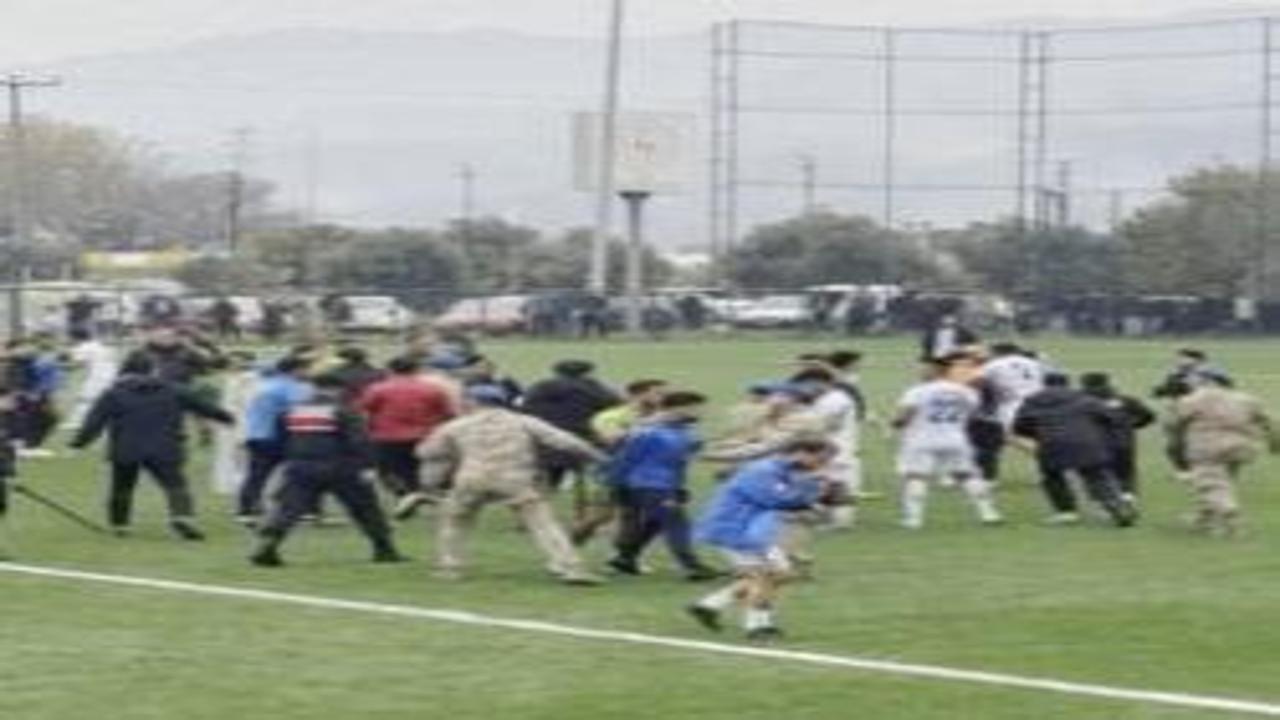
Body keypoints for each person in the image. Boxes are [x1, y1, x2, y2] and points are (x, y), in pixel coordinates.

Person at [417, 384, 606, 586]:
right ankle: (569, 566)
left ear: (472, 402)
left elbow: (427, 452)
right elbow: (565, 441)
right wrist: (597, 457)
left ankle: (450, 567)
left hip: (472, 478)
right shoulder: (523, 422)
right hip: (515, 479)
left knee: (455, 521)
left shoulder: (457, 425)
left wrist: (443, 467)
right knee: (542, 523)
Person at [70, 354, 233, 540]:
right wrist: (227, 418)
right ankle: (182, 517)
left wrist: (78, 444)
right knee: (175, 485)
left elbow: (95, 421)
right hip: (165, 446)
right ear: (153, 370)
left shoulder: (113, 393)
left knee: (122, 487)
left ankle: (120, 526)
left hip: (126, 447)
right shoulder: (174, 389)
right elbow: (203, 406)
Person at [249, 374, 406, 567]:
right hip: (342, 467)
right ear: (337, 389)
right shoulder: (344, 410)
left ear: (314, 387)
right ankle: (384, 549)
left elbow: (281, 439)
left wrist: (288, 460)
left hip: (301, 466)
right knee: (365, 509)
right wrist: (369, 465)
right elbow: (359, 441)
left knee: (288, 509)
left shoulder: (292, 411)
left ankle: (268, 545)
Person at [686, 439, 833, 642]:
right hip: (735, 530)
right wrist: (812, 489)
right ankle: (757, 626)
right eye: (820, 459)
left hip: (753, 530)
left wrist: (816, 499)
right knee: (766, 576)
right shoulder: (763, 471)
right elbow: (775, 500)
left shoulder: (781, 471)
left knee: (780, 574)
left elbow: (788, 500)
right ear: (801, 452)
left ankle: (709, 605)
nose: (822, 465)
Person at [607, 392, 719, 581]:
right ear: (679, 408)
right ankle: (692, 567)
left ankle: (625, 558)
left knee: (656, 522)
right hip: (649, 484)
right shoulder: (648, 432)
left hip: (663, 484)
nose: (701, 412)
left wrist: (678, 487)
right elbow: (627, 458)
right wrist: (617, 483)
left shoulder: (682, 431)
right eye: (696, 408)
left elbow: (681, 460)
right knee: (676, 522)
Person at [1013, 373, 1138, 528]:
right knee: (1097, 476)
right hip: (1086, 441)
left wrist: (1038, 434)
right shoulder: (1084, 398)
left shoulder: (1033, 400)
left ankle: (1066, 512)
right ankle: (1117, 507)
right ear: (1067, 383)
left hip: (1052, 443)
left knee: (1052, 476)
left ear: (1044, 384)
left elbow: (1019, 426)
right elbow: (1111, 417)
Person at [893, 355, 1003, 530]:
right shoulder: (965, 391)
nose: (919, 371)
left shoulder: (917, 391)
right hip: (955, 438)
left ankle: (913, 519)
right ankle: (988, 513)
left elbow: (904, 417)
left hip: (922, 438)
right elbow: (972, 413)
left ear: (936, 370)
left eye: (923, 367)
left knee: (916, 476)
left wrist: (895, 424)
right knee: (967, 475)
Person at [1168, 373, 1279, 537]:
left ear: (1208, 382)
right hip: (1241, 448)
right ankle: (1204, 519)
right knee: (1221, 482)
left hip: (1207, 448)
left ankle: (1230, 515)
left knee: (1212, 485)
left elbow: (1175, 423)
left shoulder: (1194, 399)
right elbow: (1269, 421)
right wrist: (1275, 443)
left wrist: (1175, 444)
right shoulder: (1247, 400)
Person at [571, 378, 668, 546]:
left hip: (644, 473)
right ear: (637, 395)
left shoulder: (663, 419)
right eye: (658, 393)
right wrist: (643, 426)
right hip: (610, 471)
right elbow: (610, 438)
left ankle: (624, 555)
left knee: (634, 514)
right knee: (603, 515)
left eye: (664, 394)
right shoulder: (611, 416)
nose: (664, 397)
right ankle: (574, 538)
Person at [357, 356, 457, 513]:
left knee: (386, 471)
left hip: (387, 437)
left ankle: (403, 495)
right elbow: (447, 413)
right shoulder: (432, 389)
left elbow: (364, 410)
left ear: (390, 370)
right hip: (423, 436)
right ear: (416, 370)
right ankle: (418, 495)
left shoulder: (378, 389)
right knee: (416, 469)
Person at [522, 360, 621, 491]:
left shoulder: (540, 387)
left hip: (545, 439)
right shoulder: (595, 388)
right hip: (584, 439)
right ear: (586, 373)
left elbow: (526, 409)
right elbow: (616, 406)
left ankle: (551, 483)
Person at [238, 356, 314, 523]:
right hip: (278, 436)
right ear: (296, 370)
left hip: (255, 434)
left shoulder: (263, 384)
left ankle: (246, 510)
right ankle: (294, 507)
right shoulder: (291, 388)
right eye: (306, 368)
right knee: (301, 472)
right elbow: (300, 411)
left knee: (256, 475)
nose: (308, 372)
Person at [792, 367, 862, 529]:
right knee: (830, 482)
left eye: (808, 384)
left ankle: (840, 521)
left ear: (820, 382)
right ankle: (834, 519)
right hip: (829, 447)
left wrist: (802, 428)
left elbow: (828, 424)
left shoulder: (836, 399)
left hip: (836, 446)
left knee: (837, 482)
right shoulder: (827, 399)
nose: (807, 389)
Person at [1080, 372, 1156, 500]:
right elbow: (1149, 416)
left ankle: (1105, 498)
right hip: (1123, 440)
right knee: (1125, 469)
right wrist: (1133, 426)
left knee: (1097, 472)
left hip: (1094, 442)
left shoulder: (1080, 402)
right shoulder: (1126, 400)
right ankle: (1127, 494)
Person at [63, 329, 121, 433]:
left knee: (84, 399)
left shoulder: (83, 347)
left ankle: (77, 422)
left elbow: (77, 365)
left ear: (75, 337)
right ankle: (110, 422)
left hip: (98, 376)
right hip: (112, 374)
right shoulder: (97, 344)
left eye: (69, 337)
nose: (68, 339)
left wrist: (59, 366)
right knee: (104, 400)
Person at [981, 343, 1047, 429]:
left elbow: (982, 386)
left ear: (998, 352)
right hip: (1039, 407)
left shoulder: (993, 364)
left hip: (1011, 408)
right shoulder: (1034, 363)